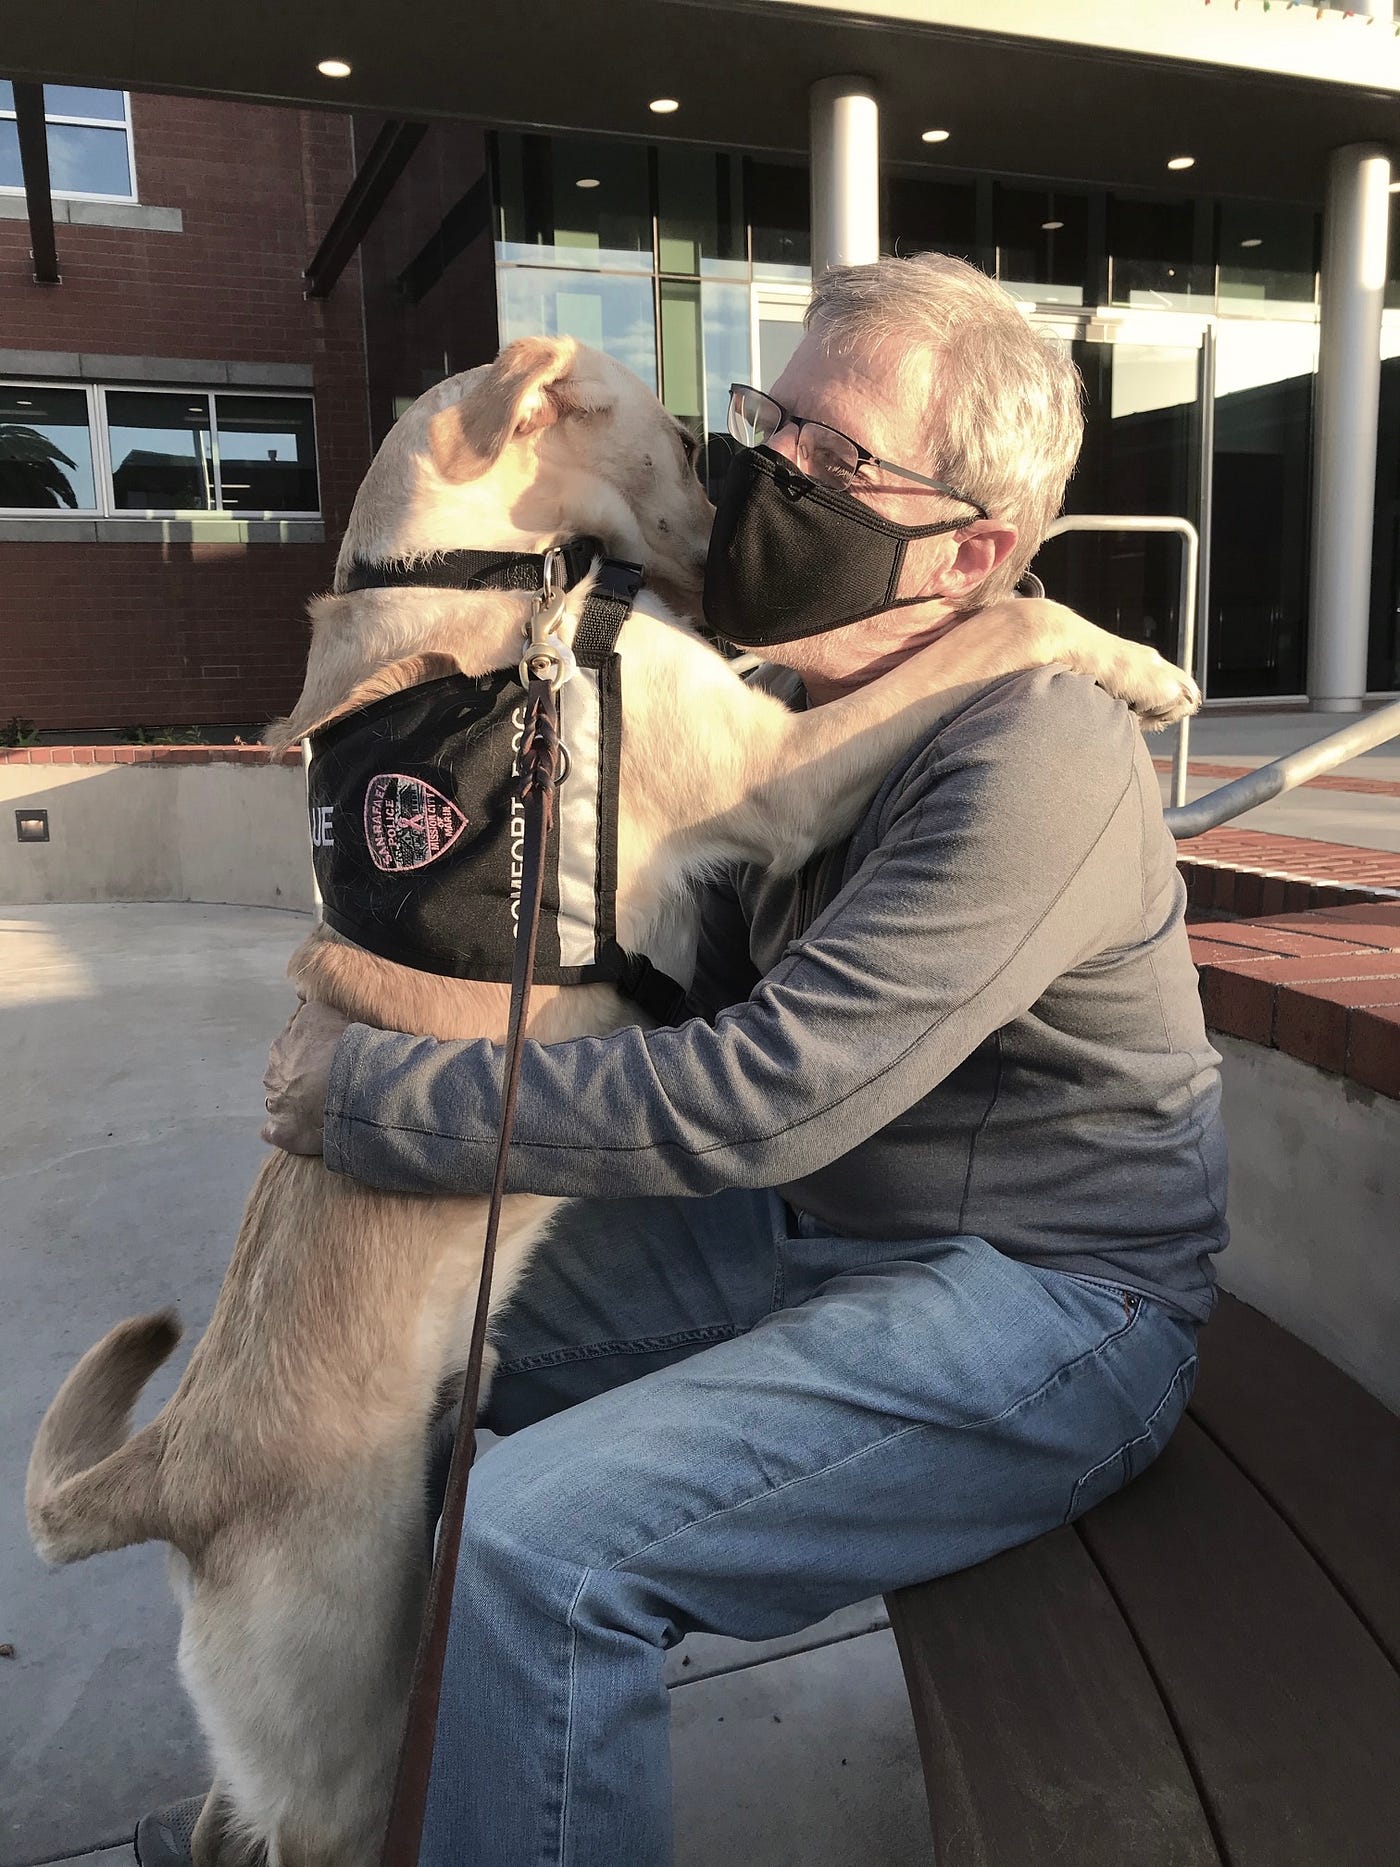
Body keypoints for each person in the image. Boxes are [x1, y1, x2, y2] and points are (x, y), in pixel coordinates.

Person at [140, 253, 1225, 1867]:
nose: (769, 472)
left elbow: (765, 1095)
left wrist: (373, 1099)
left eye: (838, 460)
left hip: (1052, 1301)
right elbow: (643, 979)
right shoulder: (775, 696)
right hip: (830, 1239)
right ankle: (292, 1809)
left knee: (539, 1550)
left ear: (978, 551)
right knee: (377, 1394)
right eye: (770, 418)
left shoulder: (1036, 750)